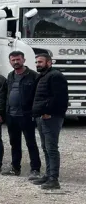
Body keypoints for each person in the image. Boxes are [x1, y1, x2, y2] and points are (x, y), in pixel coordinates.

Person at [30, 54, 68, 190]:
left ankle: (54, 179)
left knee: (51, 148)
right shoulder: (43, 76)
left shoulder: (55, 76)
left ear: (49, 62)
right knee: (45, 147)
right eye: (36, 62)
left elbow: (60, 98)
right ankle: (47, 174)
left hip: (51, 117)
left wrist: (49, 112)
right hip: (41, 116)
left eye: (40, 62)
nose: (37, 64)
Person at [2, 51, 40, 177]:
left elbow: (37, 96)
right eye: (13, 60)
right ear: (10, 62)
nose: (16, 62)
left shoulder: (33, 76)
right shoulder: (10, 75)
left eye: (18, 59)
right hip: (11, 116)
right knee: (14, 143)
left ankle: (35, 169)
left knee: (31, 143)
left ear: (23, 60)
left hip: (26, 116)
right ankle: (15, 168)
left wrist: (34, 112)